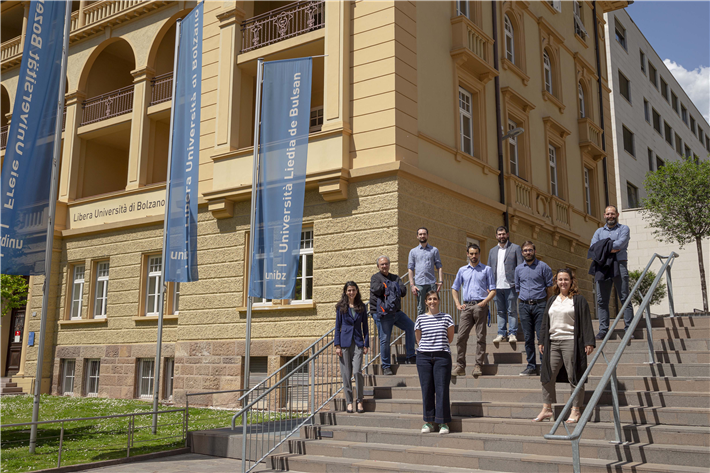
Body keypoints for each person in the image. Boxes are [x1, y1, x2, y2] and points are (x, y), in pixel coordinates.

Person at [534, 269, 595, 424]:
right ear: (556, 281)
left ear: (571, 281)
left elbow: (586, 321)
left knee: (574, 375)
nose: (563, 282)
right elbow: (545, 323)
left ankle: (576, 410)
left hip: (570, 342)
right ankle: (547, 409)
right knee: (547, 376)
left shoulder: (578, 300)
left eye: (566, 279)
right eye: (560, 279)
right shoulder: (552, 300)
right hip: (553, 342)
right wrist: (541, 340)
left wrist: (589, 342)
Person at [451, 243, 496, 377]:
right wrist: (458, 303)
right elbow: (455, 288)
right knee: (460, 337)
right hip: (466, 306)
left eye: (476, 253)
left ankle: (478, 365)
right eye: (471, 253)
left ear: (479, 254)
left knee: (480, 337)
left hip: (480, 306)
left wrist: (485, 301)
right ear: (467, 254)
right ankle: (460, 365)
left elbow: (493, 290)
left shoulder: (486, 270)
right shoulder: (462, 270)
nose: (473, 256)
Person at [589, 206, 634, 340]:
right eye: (608, 214)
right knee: (602, 300)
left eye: (612, 214)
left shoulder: (624, 229)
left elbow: (620, 244)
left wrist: (603, 247)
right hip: (602, 266)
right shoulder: (598, 231)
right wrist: (610, 247)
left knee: (624, 297)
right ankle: (603, 330)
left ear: (617, 214)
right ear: (604, 215)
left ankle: (629, 329)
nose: (610, 216)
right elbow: (593, 247)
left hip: (619, 264)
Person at [415, 290, 455, 435]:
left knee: (442, 389)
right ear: (426, 302)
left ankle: (443, 422)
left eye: (435, 299)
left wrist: (437, 347)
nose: (432, 301)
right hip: (423, 357)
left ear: (439, 301)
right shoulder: (420, 319)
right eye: (430, 299)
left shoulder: (447, 318)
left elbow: (450, 338)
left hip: (442, 356)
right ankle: (429, 421)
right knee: (427, 389)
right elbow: (418, 339)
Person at [370, 256, 416, 375]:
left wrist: (388, 286)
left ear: (389, 264)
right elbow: (377, 289)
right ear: (378, 266)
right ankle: (386, 366)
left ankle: (411, 355)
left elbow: (403, 291)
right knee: (385, 339)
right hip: (382, 313)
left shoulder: (395, 277)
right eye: (382, 264)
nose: (384, 266)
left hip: (395, 312)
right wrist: (392, 287)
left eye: (386, 264)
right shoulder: (375, 278)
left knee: (411, 326)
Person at [514, 241, 554, 376]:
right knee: (528, 337)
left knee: (541, 336)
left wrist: (546, 304)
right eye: (525, 250)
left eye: (530, 250)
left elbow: (550, 288)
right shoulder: (518, 269)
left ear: (535, 251)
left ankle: (544, 366)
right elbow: (518, 289)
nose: (528, 252)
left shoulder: (543, 267)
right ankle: (531, 366)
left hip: (540, 305)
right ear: (522, 253)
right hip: (524, 306)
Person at [335, 282, 369, 413]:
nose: (351, 292)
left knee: (357, 372)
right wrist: (337, 345)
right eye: (349, 290)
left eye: (353, 290)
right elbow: (337, 327)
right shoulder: (340, 307)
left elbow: (365, 327)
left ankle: (360, 400)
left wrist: (366, 344)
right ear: (345, 292)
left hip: (358, 343)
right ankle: (349, 402)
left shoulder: (361, 306)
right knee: (346, 374)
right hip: (344, 344)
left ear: (356, 291)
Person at [487, 226, 524, 343]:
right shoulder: (492, 251)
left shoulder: (515, 248)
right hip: (496, 286)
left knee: (512, 311)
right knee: (500, 311)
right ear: (496, 236)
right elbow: (489, 269)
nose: (501, 236)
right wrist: (489, 285)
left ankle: (512, 333)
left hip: (511, 285)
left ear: (507, 234)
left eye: (503, 234)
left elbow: (520, 268)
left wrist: (519, 285)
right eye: (499, 234)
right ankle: (501, 333)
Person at [408, 227, 443, 316]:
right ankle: (421, 329)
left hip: (431, 282)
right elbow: (410, 268)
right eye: (420, 234)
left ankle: (434, 326)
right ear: (417, 236)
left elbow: (439, 266)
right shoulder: (413, 251)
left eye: (424, 234)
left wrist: (440, 281)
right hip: (419, 283)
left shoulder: (434, 250)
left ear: (427, 235)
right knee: (420, 308)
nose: (422, 236)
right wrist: (412, 285)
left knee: (433, 306)